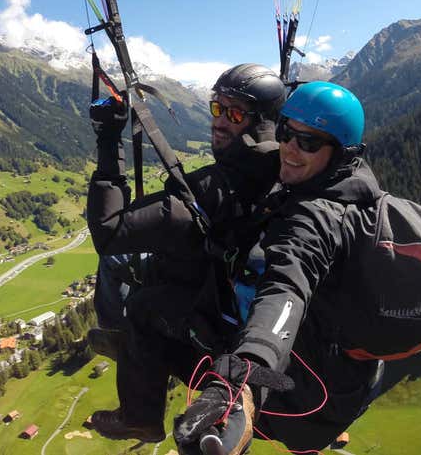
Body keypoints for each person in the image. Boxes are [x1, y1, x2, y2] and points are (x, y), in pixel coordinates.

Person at [173, 81, 385, 454]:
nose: (289, 149)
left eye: (309, 142)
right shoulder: (348, 184)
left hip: (312, 399)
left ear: (343, 152)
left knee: (170, 314)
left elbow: (287, 288)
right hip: (346, 374)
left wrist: (240, 384)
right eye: (287, 133)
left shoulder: (316, 217)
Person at [86, 64, 289, 446]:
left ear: (260, 122)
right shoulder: (289, 168)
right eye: (217, 108)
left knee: (139, 300)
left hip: (222, 328)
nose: (220, 121)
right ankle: (129, 344)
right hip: (242, 300)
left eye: (234, 114)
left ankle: (138, 412)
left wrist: (108, 140)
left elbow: (109, 231)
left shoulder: (207, 192)